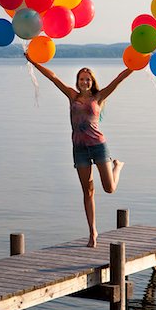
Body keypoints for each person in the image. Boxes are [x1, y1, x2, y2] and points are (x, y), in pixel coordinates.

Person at [25, 52, 133, 247]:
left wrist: (136, 64)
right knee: (88, 191)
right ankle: (93, 232)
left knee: (109, 188)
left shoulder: (98, 97)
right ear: (77, 82)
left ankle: (117, 166)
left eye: (88, 79)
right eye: (82, 79)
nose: (85, 82)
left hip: (98, 146)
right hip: (80, 148)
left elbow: (119, 79)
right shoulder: (71, 95)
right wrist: (34, 61)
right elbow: (53, 78)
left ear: (92, 82)